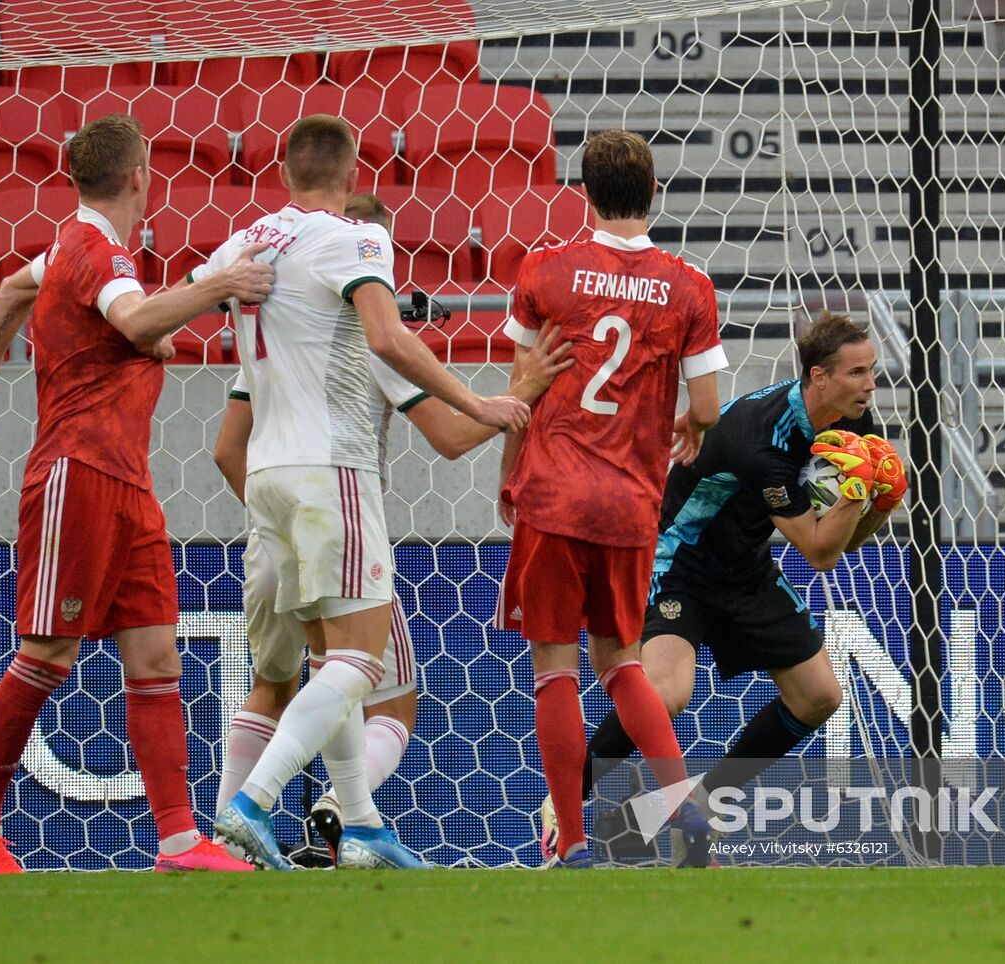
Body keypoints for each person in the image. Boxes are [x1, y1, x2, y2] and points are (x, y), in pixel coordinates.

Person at [0, 113, 276, 873]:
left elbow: (15, 287)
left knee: (156, 654)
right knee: (48, 652)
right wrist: (217, 285)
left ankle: (178, 841)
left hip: (127, 480)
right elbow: (135, 318)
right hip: (76, 472)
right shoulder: (94, 247)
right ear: (140, 176)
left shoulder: (71, 249)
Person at [204, 116, 530, 870]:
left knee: (317, 668)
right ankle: (251, 804)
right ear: (353, 177)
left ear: (282, 173)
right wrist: (486, 401)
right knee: (364, 662)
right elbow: (391, 344)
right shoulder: (355, 245)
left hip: (266, 480)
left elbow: (194, 324)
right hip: (332, 472)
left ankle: (361, 824)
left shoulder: (248, 247)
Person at [573, 311, 909, 864]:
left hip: (746, 569)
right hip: (679, 562)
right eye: (857, 373)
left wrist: (880, 504)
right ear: (819, 376)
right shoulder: (763, 441)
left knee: (819, 696)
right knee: (666, 694)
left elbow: (843, 542)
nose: (871, 384)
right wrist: (856, 492)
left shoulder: (854, 424)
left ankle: (700, 807)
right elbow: (820, 553)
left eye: (872, 370)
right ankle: (566, 802)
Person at [495, 129, 728, 867]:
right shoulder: (689, 285)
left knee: (555, 671)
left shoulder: (544, 271)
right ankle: (683, 806)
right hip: (631, 504)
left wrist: (510, 472)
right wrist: (690, 424)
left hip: (556, 495)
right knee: (623, 665)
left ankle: (570, 839)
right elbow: (709, 406)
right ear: (654, 192)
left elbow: (521, 389)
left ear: (584, 194)